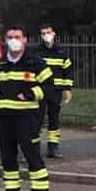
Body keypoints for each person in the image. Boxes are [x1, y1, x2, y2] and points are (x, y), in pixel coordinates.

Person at [0, 27, 51, 191]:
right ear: (5, 40)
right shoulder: (1, 64)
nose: (13, 40)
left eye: (17, 37)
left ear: (25, 40)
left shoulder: (35, 62)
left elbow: (49, 85)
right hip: (5, 118)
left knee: (32, 156)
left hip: (27, 118)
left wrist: (30, 94)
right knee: (7, 158)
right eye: (10, 37)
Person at [34, 24, 73, 158]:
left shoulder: (61, 51)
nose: (46, 35)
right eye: (43, 33)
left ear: (54, 33)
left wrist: (67, 89)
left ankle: (53, 148)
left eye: (48, 32)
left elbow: (67, 71)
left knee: (54, 120)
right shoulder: (36, 51)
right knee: (36, 120)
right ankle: (33, 149)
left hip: (56, 91)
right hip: (40, 91)